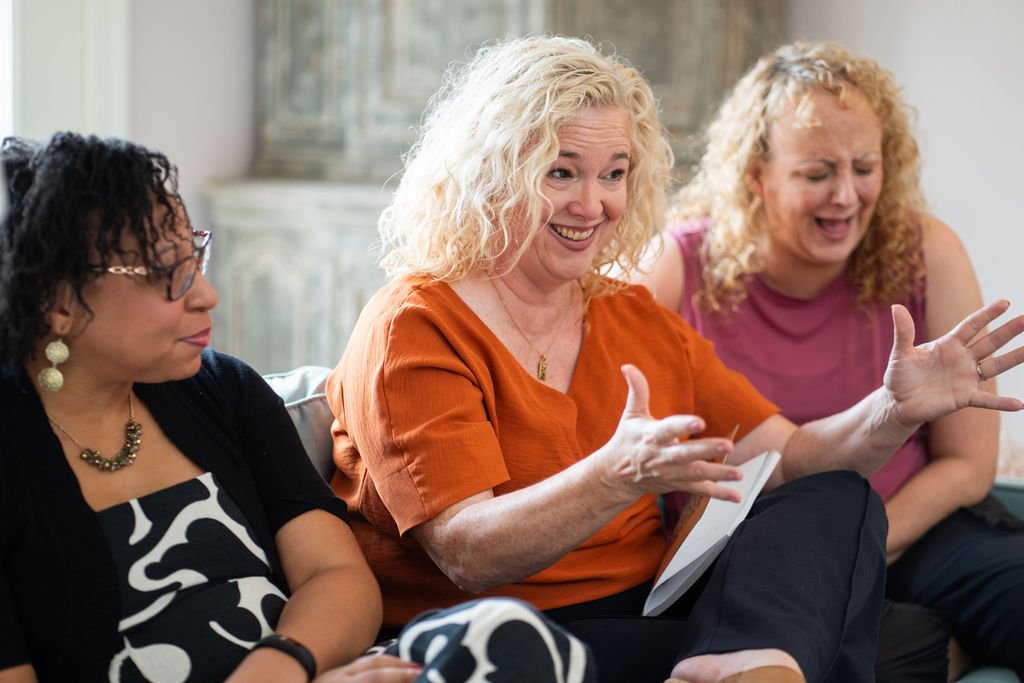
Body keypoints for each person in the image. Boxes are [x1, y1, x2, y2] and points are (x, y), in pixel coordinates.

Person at [325, 35, 1024, 683]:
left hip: (649, 612)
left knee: (833, 497)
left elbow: (792, 458)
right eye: (560, 172)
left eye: (614, 173)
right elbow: (467, 551)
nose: (592, 203)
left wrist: (891, 411)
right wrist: (612, 476)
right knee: (884, 642)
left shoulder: (630, 313)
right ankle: (761, 662)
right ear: (490, 173)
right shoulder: (413, 323)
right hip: (500, 627)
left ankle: (745, 663)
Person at [0, 132, 596, 683]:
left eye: (196, 259)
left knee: (502, 634)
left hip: (310, 670)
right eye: (169, 274)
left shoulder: (222, 390)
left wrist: (284, 668)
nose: (206, 294)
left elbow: (336, 577)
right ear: (57, 303)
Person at [636, 40, 1024, 681]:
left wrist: (860, 552)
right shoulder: (676, 267)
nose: (846, 196)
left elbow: (967, 465)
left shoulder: (927, 249)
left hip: (920, 525)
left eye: (864, 167)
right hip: (763, 556)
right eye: (817, 174)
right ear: (755, 175)